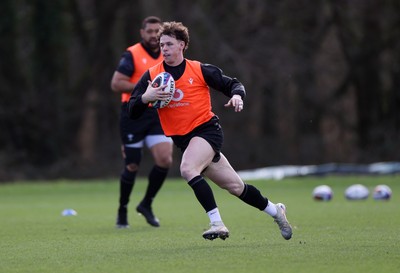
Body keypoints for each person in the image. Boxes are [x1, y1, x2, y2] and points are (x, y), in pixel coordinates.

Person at [128, 21, 292, 240]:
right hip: (185, 141)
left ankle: (217, 223)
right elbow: (132, 109)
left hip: (206, 131)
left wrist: (237, 96)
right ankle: (276, 211)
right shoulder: (152, 77)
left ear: (182, 45)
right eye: (161, 44)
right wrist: (146, 98)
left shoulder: (199, 69)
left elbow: (233, 84)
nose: (164, 48)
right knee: (236, 187)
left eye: (169, 44)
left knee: (187, 169)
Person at [110, 16, 173, 228]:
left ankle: (146, 204)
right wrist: (146, 88)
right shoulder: (132, 54)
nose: (154, 35)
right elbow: (117, 83)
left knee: (165, 160)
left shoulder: (168, 53)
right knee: (132, 164)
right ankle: (122, 209)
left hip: (156, 114)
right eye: (150, 31)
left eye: (158, 31)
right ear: (142, 33)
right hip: (132, 113)